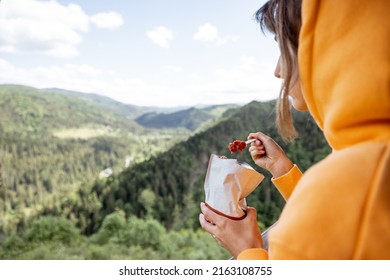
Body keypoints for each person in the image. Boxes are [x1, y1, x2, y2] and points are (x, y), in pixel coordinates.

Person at [199, 0, 390, 259]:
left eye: (282, 48)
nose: (278, 70)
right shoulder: (370, 160)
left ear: (325, 47)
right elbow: (332, 221)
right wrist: (282, 170)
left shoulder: (366, 182)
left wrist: (247, 250)